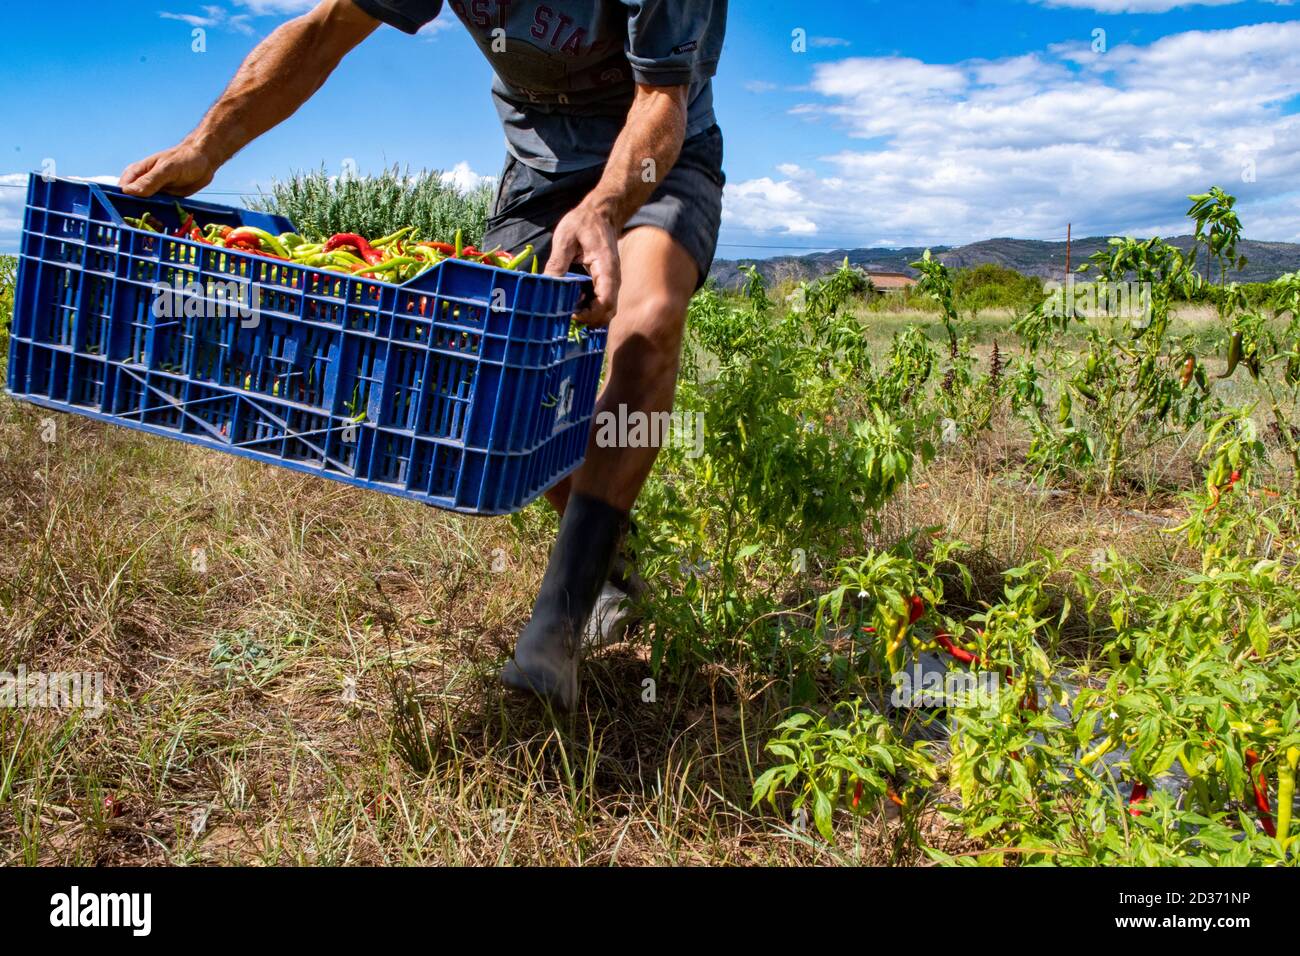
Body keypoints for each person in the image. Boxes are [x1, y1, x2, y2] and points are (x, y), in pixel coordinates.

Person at [120, 0, 728, 711]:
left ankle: (558, 625)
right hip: (542, 174)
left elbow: (662, 100)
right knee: (503, 371)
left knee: (646, 319)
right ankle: (608, 564)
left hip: (658, 157)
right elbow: (324, 33)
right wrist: (207, 146)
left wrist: (603, 207)